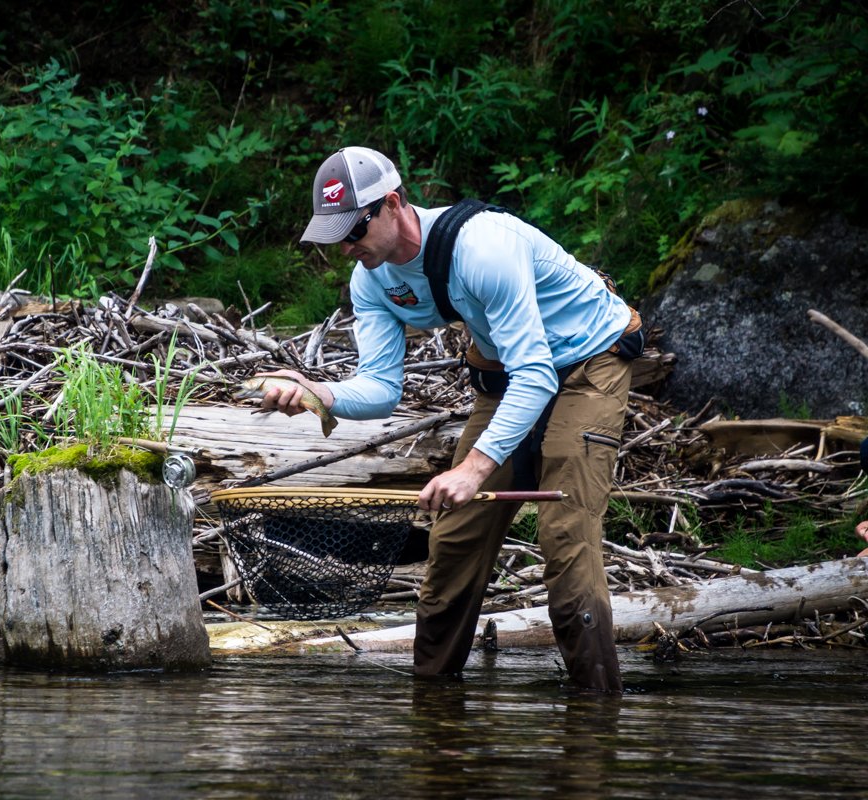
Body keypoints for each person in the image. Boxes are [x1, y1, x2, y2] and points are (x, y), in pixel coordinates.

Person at [255, 146, 642, 692]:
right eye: (334, 235)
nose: (345, 247)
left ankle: (598, 706)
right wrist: (318, 391)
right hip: (509, 375)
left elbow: (537, 376)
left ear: (392, 204)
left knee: (566, 534)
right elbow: (382, 390)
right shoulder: (372, 279)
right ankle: (432, 702)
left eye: (353, 231)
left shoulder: (486, 249)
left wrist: (473, 470)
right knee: (455, 536)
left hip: (588, 363)